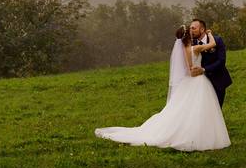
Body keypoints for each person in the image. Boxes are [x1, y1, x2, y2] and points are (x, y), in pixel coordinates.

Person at [94, 24, 230, 152]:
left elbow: (188, 67)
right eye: (190, 31)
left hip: (189, 80)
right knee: (198, 108)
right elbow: (212, 44)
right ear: (188, 36)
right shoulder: (196, 48)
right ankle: (200, 135)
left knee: (185, 109)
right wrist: (210, 34)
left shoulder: (184, 49)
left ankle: (194, 132)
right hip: (198, 80)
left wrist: (191, 70)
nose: (192, 32)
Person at [188, 18, 232, 107]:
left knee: (217, 108)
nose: (191, 31)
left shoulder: (217, 40)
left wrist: (204, 69)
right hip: (200, 83)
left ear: (202, 29)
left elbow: (221, 61)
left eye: (193, 28)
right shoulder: (191, 44)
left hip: (218, 80)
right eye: (190, 28)